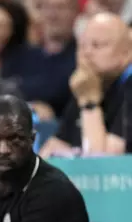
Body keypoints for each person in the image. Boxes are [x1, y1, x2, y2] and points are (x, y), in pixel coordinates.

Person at [40, 13, 130, 157]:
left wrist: (90, 103)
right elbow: (48, 155)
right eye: (81, 46)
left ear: (127, 53)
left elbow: (104, 165)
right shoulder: (86, 85)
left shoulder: (128, 89)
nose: (86, 53)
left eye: (97, 45)